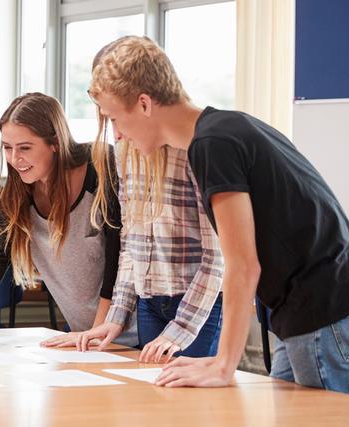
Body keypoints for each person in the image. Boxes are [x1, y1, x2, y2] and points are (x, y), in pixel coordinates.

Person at [89, 36, 349, 398]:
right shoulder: (225, 128)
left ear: (145, 104)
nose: (117, 134)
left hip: (326, 306)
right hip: (309, 306)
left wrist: (224, 364)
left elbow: (242, 264)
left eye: (116, 118)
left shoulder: (213, 146)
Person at [48, 40, 226, 364]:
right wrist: (115, 317)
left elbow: (218, 257)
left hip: (197, 303)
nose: (115, 134)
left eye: (116, 118)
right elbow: (132, 245)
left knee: (191, 407)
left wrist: (179, 330)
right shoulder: (126, 153)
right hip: (148, 302)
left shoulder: (196, 150)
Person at [0, 93, 137, 348]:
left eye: (25, 148)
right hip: (85, 335)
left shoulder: (100, 168)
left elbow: (119, 257)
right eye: (7, 147)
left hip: (132, 331)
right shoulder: (17, 196)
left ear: (55, 143)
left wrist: (96, 332)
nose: (15, 159)